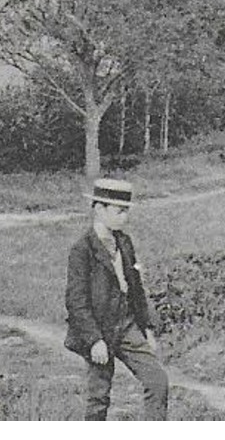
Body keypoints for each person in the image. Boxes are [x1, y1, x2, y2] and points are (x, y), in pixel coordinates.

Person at [64, 177, 169, 420]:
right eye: (120, 212)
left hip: (127, 325)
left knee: (157, 381)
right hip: (99, 331)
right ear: (99, 210)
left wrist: (147, 330)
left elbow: (136, 289)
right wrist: (94, 340)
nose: (125, 218)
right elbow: (76, 301)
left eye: (127, 212)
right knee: (98, 397)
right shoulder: (82, 250)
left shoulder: (124, 242)